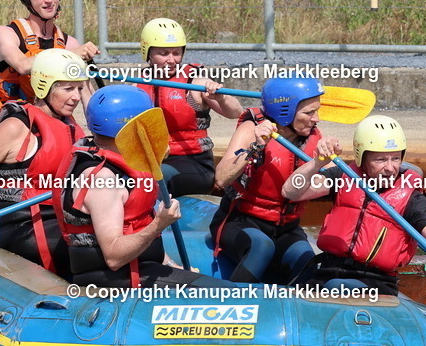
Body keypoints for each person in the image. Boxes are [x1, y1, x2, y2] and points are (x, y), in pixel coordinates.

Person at [52, 84, 221, 289]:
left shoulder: (122, 161)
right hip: (118, 281)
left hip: (143, 267)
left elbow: (138, 226)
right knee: (228, 295)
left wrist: (172, 266)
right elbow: (114, 257)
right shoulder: (102, 180)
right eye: (146, 122)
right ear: (131, 127)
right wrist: (159, 224)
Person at [282, 115, 426, 296]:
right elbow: (291, 192)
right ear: (361, 158)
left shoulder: (412, 200)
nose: (390, 168)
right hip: (328, 270)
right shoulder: (343, 176)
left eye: (395, 158)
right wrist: (318, 163)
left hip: (375, 283)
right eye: (380, 160)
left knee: (337, 287)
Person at [0, 49, 88, 275]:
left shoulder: (70, 125)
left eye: (79, 88)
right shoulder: (16, 127)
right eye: (68, 89)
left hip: (62, 217)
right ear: (44, 87)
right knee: (90, 252)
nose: (76, 97)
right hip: (25, 225)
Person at [209, 77, 323, 283]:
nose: (316, 118)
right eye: (309, 113)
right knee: (261, 247)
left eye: (316, 111)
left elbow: (333, 180)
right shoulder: (251, 129)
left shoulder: (313, 136)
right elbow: (221, 178)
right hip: (241, 220)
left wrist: (326, 160)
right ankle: (233, 299)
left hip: (287, 227)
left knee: (306, 260)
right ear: (285, 111)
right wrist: (256, 147)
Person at [133, 18, 242, 196]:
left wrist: (221, 98)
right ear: (148, 53)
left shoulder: (195, 83)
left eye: (176, 53)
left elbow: (236, 112)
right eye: (164, 53)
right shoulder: (137, 86)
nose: (171, 60)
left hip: (195, 163)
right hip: (153, 159)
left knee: (155, 177)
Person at [0, 0, 99, 123]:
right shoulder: (6, 33)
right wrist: (70, 55)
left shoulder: (70, 43)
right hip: (13, 125)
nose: (49, 0)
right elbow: (22, 65)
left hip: (54, 126)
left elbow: (87, 98)